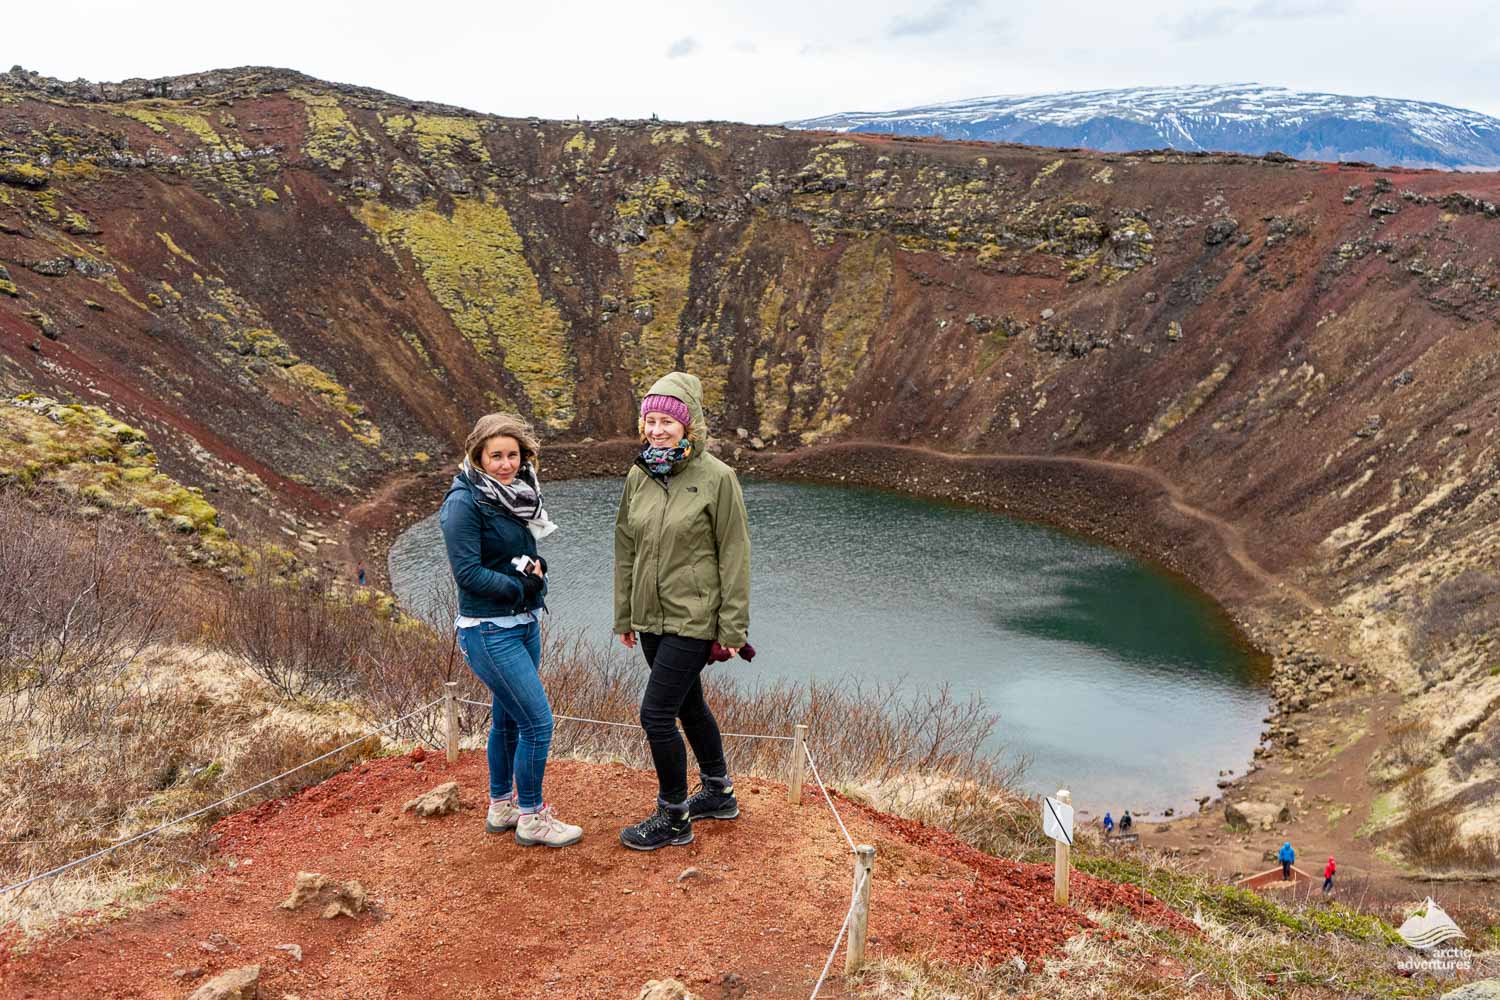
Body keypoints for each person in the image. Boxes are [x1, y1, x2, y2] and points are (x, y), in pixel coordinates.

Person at [614, 372, 750, 851]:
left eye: (666, 421)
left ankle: (673, 817)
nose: (656, 429)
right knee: (687, 703)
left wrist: (733, 626)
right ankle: (718, 791)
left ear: (687, 425)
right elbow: (626, 546)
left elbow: (734, 553)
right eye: (649, 420)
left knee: (655, 715)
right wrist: (625, 613)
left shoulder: (717, 477)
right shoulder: (639, 474)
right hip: (651, 616)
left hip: (695, 617)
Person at [439, 413, 580, 848]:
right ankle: (532, 817)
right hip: (489, 630)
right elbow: (468, 574)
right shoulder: (464, 502)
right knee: (538, 722)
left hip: (522, 623)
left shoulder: (516, 494)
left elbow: (512, 554)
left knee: (508, 720)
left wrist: (534, 572)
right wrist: (523, 585)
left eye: (513, 455)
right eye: (496, 455)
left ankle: (502, 806)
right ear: (478, 456)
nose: (505, 464)